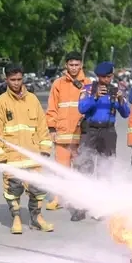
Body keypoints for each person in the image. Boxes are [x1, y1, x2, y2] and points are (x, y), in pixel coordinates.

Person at [0, 63, 54, 234]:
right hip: (11, 158)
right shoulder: (0, 103)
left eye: (19, 79)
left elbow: (42, 126)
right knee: (12, 190)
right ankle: (16, 218)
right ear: (6, 79)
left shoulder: (32, 99)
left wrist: (45, 149)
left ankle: (37, 218)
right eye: (12, 80)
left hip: (33, 155)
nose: (16, 83)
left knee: (38, 190)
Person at [73, 62, 130, 221]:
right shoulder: (88, 89)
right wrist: (95, 97)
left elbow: (126, 113)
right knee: (85, 167)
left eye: (108, 76)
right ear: (98, 77)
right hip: (91, 130)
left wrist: (120, 99)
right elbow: (82, 108)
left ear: (112, 76)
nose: (106, 80)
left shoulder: (116, 90)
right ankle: (81, 207)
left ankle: (102, 206)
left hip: (109, 131)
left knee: (107, 168)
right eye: (103, 77)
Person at [44, 51, 91, 211]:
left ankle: (76, 199)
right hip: (62, 134)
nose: (73, 67)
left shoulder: (88, 83)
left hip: (80, 134)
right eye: (71, 64)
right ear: (66, 65)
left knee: (78, 168)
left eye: (77, 64)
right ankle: (58, 198)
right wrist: (51, 128)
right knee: (60, 168)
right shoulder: (58, 84)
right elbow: (52, 107)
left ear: (81, 65)